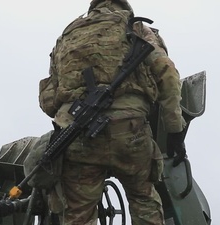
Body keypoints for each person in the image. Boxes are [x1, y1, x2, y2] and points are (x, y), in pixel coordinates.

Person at [38, 0, 186, 224]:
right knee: (143, 199)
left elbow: (48, 101)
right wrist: (175, 129)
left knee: (78, 213)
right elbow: (167, 75)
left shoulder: (66, 36)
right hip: (130, 133)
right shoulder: (136, 29)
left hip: (75, 136)